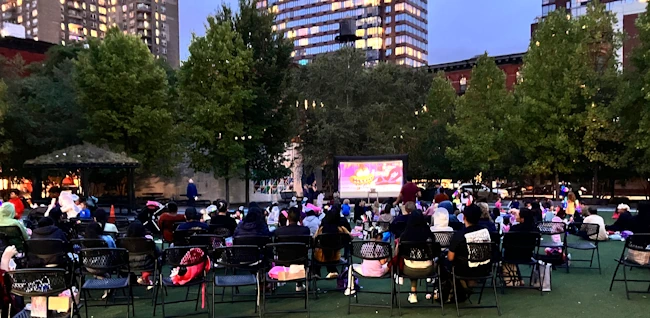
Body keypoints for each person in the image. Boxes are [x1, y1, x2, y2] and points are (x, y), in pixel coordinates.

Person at [397, 209, 436, 304]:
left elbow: (398, 253)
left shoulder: (405, 235)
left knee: (412, 262)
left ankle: (413, 293)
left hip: (409, 268)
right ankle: (434, 291)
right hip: (429, 268)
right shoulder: (428, 233)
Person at [448, 205, 490, 277]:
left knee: (443, 262)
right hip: (485, 268)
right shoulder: (486, 231)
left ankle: (463, 286)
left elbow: (450, 258)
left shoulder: (459, 235)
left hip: (465, 270)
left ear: (464, 217)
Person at [313, 209, 350, 278]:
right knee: (330, 251)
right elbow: (350, 237)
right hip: (335, 257)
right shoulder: (341, 229)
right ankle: (333, 271)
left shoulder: (321, 229)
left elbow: (314, 238)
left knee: (319, 253)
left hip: (321, 258)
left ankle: (316, 273)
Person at [125, 221, 159, 286]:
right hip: (146, 264)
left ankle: (139, 278)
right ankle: (144, 277)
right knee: (157, 259)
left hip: (128, 265)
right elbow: (157, 253)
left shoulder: (122, 241)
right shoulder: (148, 241)